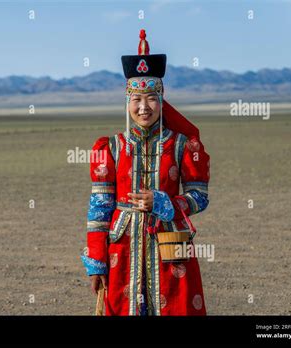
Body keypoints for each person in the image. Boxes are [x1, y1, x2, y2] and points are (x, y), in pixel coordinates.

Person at [81, 29, 210, 316]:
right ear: (127, 102)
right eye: (136, 99)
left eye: (151, 98)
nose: (143, 107)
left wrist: (168, 203)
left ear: (162, 100)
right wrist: (97, 263)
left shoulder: (181, 146)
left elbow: (200, 196)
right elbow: (99, 209)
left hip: (171, 248)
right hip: (122, 251)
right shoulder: (110, 148)